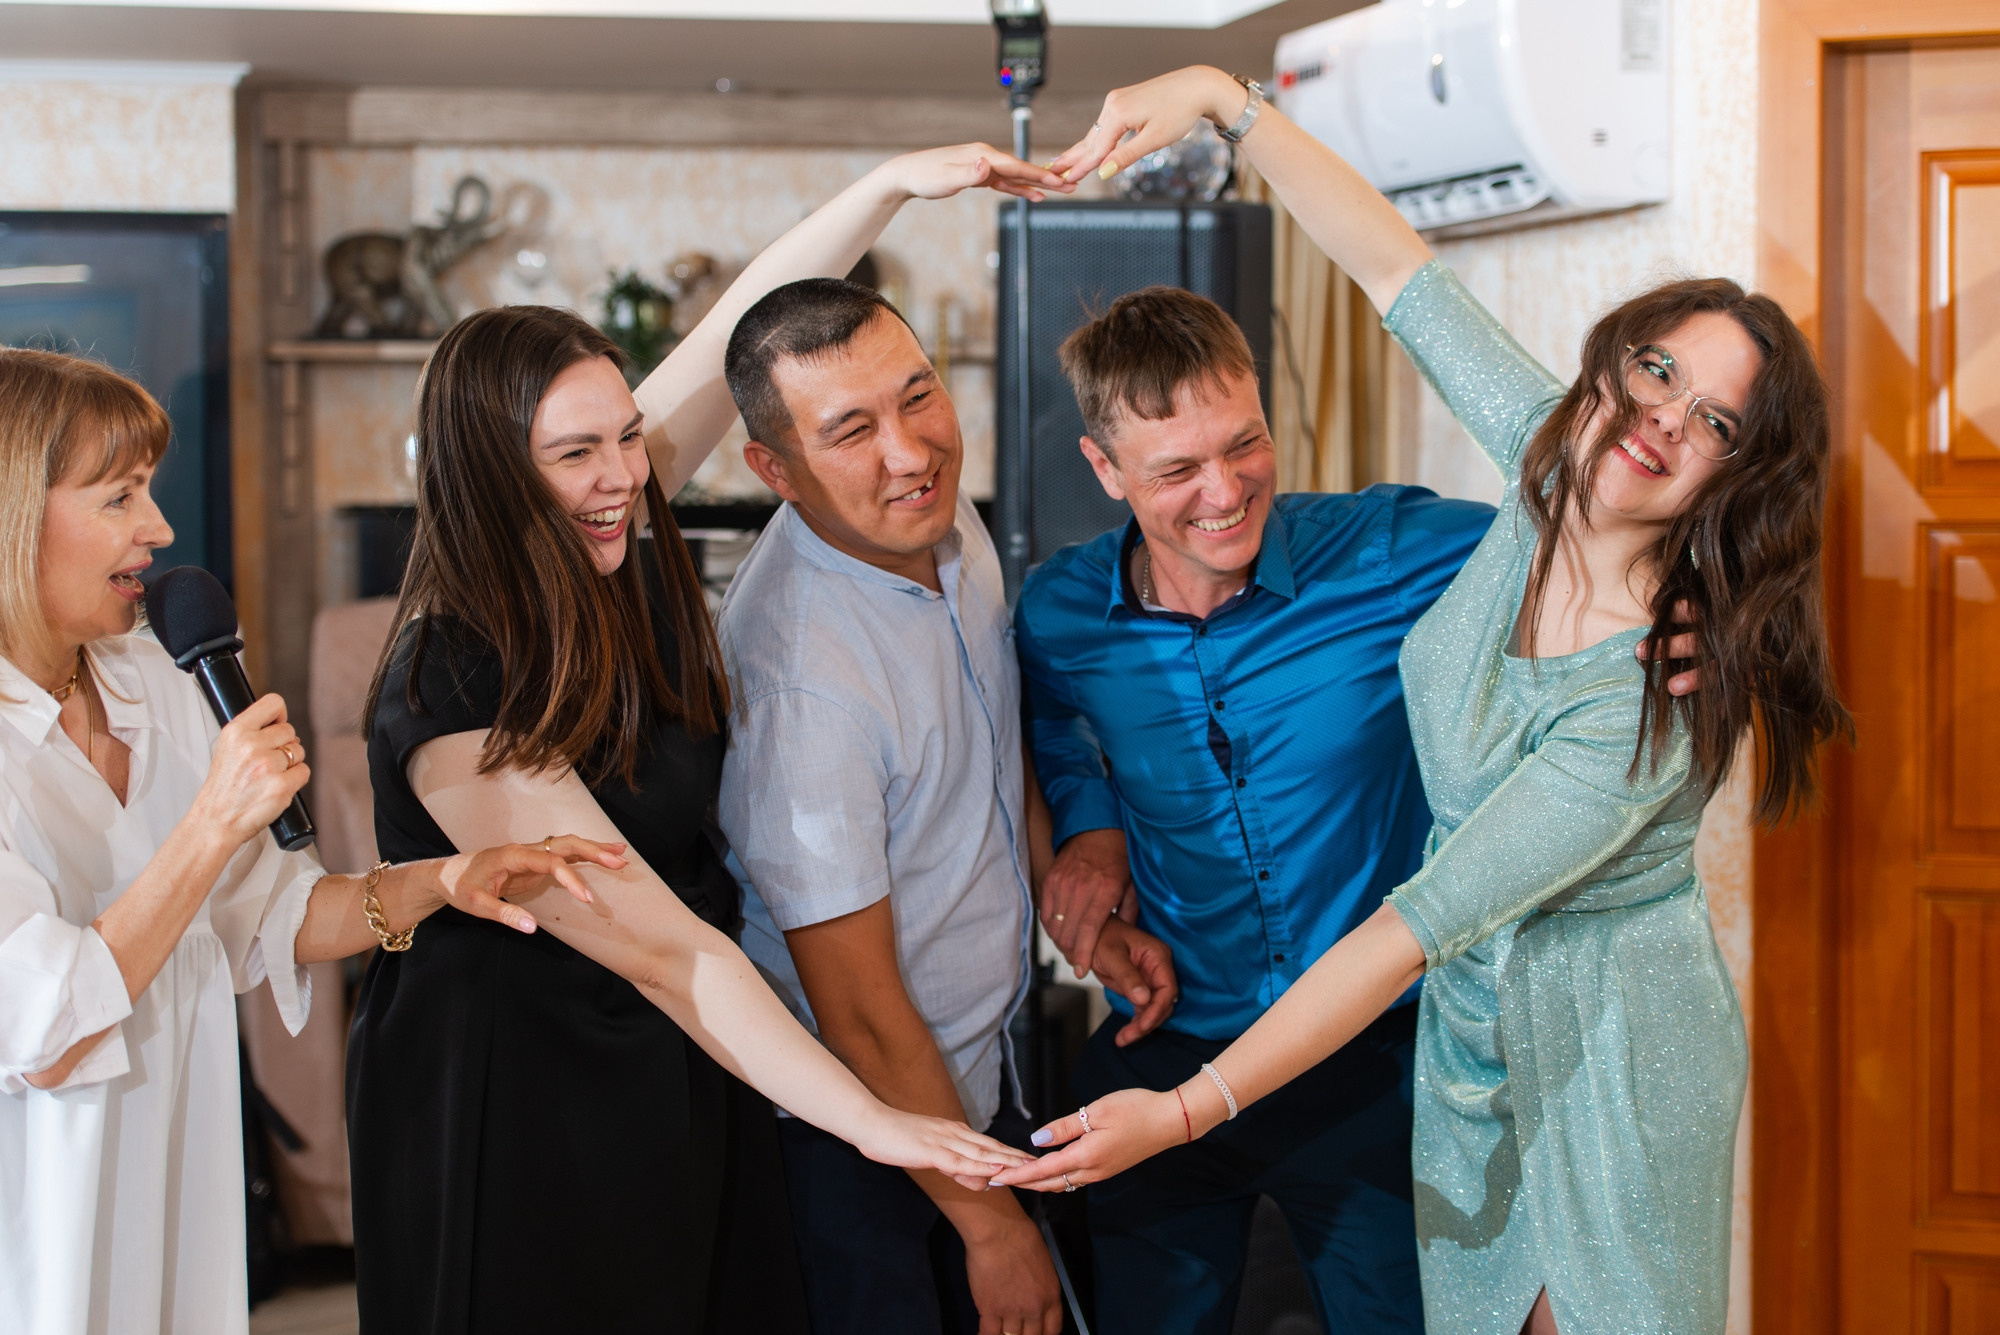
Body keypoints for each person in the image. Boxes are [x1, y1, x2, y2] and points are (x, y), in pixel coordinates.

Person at [996, 66, 1852, 1335]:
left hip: (1604, 1041)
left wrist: (1177, 1115)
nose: (1664, 420)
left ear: (1736, 472)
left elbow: (1416, 922)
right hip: (1462, 1032)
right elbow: (1395, 271)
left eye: (1714, 421)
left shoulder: (1642, 702)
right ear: (1609, 368)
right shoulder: (1538, 472)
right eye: (1657, 370)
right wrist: (1230, 103)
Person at [349, 147, 1058, 1335]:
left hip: (683, 1055)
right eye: (577, 454)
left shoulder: (613, 536)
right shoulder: (451, 678)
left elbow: (741, 334)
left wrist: (887, 186)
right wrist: (878, 1123)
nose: (624, 475)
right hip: (521, 1082)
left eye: (628, 437)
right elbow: (665, 951)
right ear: (493, 477)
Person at [0, 348, 623, 1335]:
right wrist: (212, 822)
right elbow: (47, 1030)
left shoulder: (157, 681)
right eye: (120, 497)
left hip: (179, 1196)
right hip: (42, 1231)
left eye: (150, 490)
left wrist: (442, 879)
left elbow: (277, 914)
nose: (160, 530)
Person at [715, 277, 1178, 1335]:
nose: (909, 451)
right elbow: (857, 1012)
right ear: (775, 470)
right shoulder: (801, 684)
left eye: (917, 394)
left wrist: (1079, 917)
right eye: (851, 431)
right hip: (860, 1142)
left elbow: (986, 748)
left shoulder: (933, 512)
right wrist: (990, 1229)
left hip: (980, 1072)